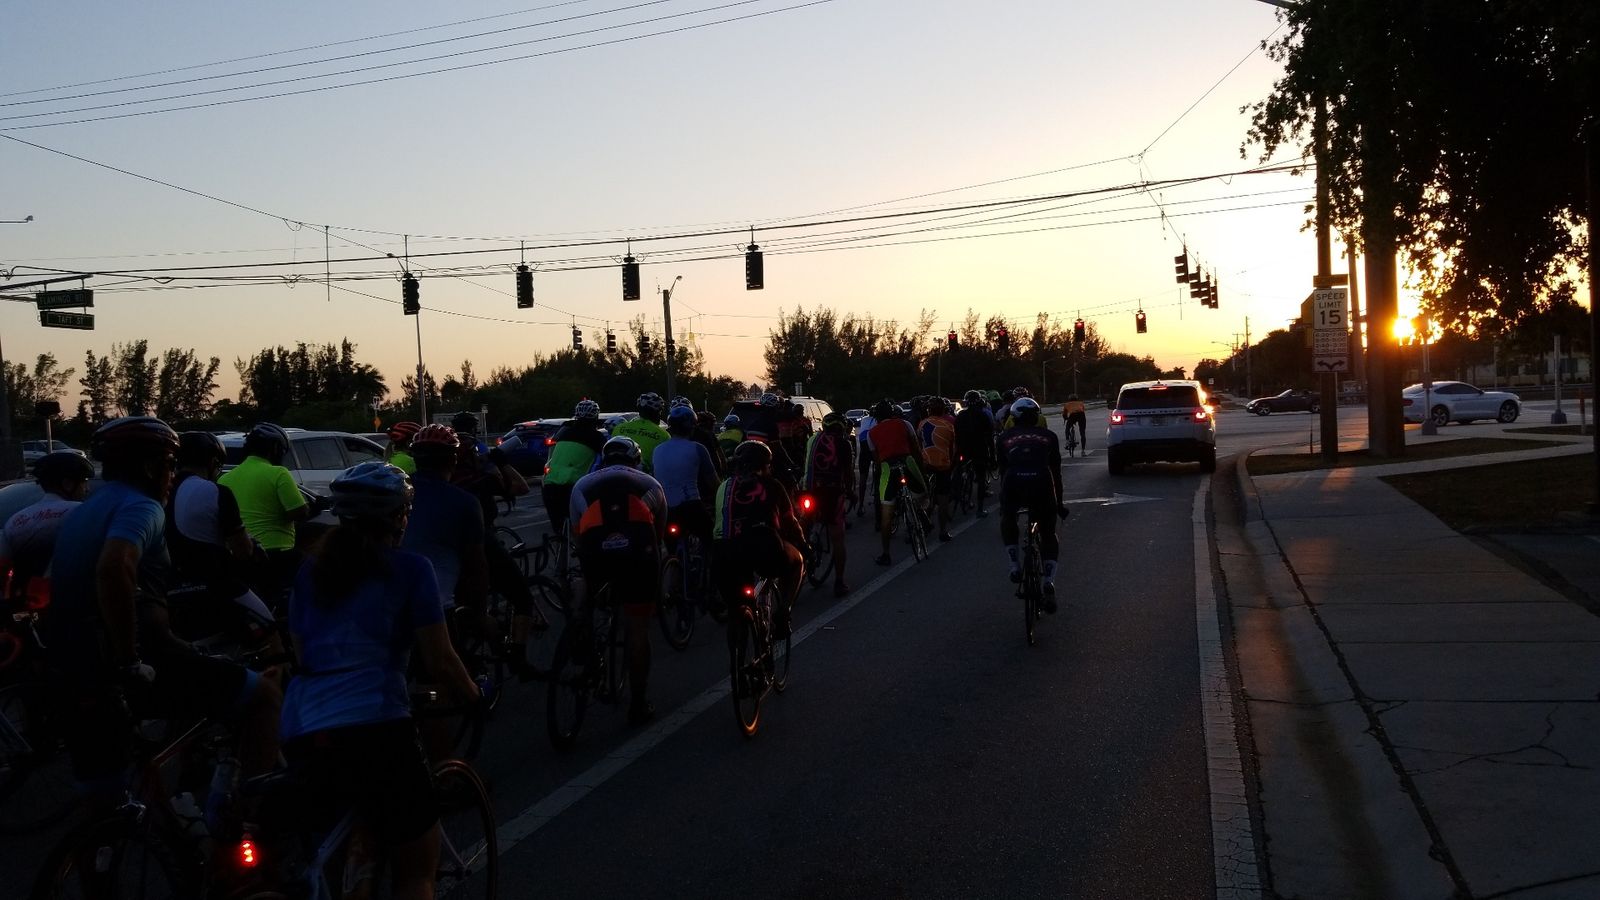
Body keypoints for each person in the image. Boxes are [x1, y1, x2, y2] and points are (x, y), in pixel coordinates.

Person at [42, 417, 281, 798]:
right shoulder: (143, 507)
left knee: (106, 799)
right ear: (150, 467)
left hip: (69, 663)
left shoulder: (85, 510)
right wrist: (128, 660)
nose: (173, 475)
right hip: (125, 661)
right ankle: (252, 811)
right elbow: (114, 566)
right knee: (263, 697)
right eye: (170, 464)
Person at [281, 461, 478, 900]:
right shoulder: (411, 569)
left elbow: (301, 652)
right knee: (417, 870)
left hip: (302, 723)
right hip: (377, 722)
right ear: (398, 517)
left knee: (334, 852)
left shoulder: (311, 571)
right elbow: (440, 659)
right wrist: (472, 695)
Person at [568, 437, 668, 725]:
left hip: (596, 549)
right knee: (638, 628)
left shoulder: (582, 485)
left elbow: (577, 534)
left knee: (584, 576)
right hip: (638, 552)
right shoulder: (650, 484)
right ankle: (638, 704)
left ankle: (580, 620)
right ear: (635, 460)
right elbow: (659, 534)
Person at [165, 431, 275, 643]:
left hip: (170, 585)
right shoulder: (216, 492)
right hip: (213, 583)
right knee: (269, 629)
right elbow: (243, 550)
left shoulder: (164, 491)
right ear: (213, 461)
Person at [712, 441, 807, 637]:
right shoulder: (773, 485)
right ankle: (784, 613)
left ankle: (736, 655)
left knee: (735, 610)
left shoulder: (724, 486)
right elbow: (790, 522)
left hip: (724, 553)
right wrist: (804, 545)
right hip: (764, 548)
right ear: (765, 466)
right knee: (797, 561)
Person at [399, 425, 489, 632]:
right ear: (453, 460)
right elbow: (477, 565)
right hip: (436, 609)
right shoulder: (465, 502)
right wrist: (480, 616)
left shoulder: (400, 492)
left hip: (390, 604)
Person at [220, 422, 315, 607]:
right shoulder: (278, 473)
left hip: (241, 556)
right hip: (277, 555)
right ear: (276, 448)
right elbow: (300, 512)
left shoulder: (225, 478)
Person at [995, 397, 1068, 612]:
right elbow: (1056, 473)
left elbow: (1002, 471)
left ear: (1014, 418)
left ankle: (1014, 565)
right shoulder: (1049, 436)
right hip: (1042, 483)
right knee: (1048, 532)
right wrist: (1059, 503)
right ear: (1036, 417)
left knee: (1008, 519)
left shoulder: (1004, 437)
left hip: (1014, 482)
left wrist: (1005, 504)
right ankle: (1049, 580)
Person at [3, 450, 93, 605]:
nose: (87, 488)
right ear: (68, 484)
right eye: (84, 481)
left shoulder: (15, 521)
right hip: (76, 604)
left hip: (26, 606)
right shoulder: (82, 512)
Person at [865, 399, 928, 566]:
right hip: (907, 462)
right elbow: (916, 449)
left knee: (886, 514)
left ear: (876, 417)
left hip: (887, 468)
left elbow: (877, 460)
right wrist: (921, 469)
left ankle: (886, 554)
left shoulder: (872, 433)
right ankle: (921, 514)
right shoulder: (905, 424)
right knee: (923, 492)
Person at [801, 412, 857, 595]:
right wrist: (851, 492)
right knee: (837, 538)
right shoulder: (844, 444)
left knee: (804, 522)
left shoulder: (812, 440)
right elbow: (848, 473)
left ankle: (803, 544)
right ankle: (839, 582)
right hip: (832, 493)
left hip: (809, 489)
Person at [652, 406, 719, 547]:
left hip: (665, 508)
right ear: (692, 427)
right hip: (690, 505)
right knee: (710, 537)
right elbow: (712, 480)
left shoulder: (657, 449)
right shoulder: (697, 448)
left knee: (668, 546)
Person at [542, 399, 607, 539]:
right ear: (596, 417)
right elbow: (606, 459)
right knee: (588, 527)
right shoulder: (596, 437)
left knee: (559, 531)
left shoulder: (563, 432)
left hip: (549, 484)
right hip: (574, 486)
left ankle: (559, 545)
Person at [917, 397, 959, 542]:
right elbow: (953, 448)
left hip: (926, 465)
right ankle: (943, 531)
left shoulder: (922, 424)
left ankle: (922, 526)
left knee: (922, 497)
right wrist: (951, 464)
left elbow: (918, 443)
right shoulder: (949, 426)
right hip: (943, 466)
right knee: (943, 501)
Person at [955, 390, 996, 518]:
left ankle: (960, 491)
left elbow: (956, 434)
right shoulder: (983, 415)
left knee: (960, 470)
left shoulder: (961, 415)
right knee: (981, 478)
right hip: (980, 449)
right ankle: (980, 508)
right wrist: (992, 456)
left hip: (964, 449)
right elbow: (990, 438)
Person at [610, 392, 671, 475]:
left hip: (615, 474)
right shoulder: (664, 435)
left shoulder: (618, 428)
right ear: (657, 412)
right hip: (644, 478)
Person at [853, 406, 878, 520]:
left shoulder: (864, 420)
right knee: (879, 471)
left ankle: (861, 505)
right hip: (874, 444)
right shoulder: (878, 421)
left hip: (864, 447)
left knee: (863, 476)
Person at [693, 410, 728, 478]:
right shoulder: (709, 434)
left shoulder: (691, 433)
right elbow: (719, 454)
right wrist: (723, 470)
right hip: (710, 470)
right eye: (713, 423)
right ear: (709, 423)